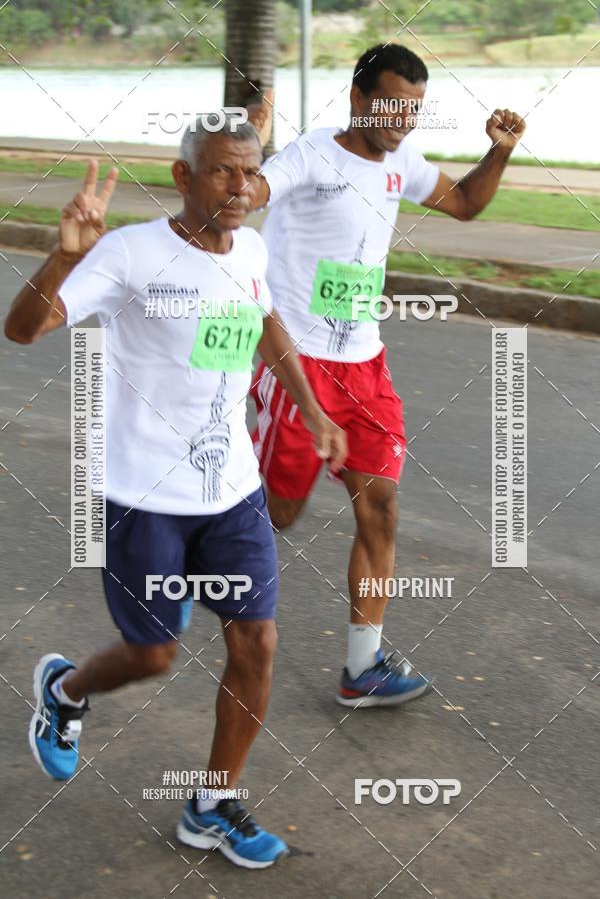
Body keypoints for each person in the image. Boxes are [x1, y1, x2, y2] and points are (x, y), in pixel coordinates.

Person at [4, 115, 346, 868]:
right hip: (144, 494)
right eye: (223, 171)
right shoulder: (130, 254)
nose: (242, 187)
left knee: (256, 643)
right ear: (183, 177)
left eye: (252, 171)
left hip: (232, 492)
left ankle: (211, 804)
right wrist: (62, 260)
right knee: (153, 654)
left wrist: (313, 410)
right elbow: (23, 329)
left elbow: (265, 322)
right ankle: (64, 692)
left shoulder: (250, 247)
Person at [249, 43, 525, 707]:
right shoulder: (312, 155)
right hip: (298, 367)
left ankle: (362, 668)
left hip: (365, 367)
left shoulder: (402, 159)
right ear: (357, 98)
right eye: (391, 103)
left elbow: (462, 203)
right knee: (279, 515)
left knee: (382, 508)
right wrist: (244, 149)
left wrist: (500, 151)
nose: (402, 119)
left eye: (413, 108)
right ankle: (183, 522)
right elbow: (256, 189)